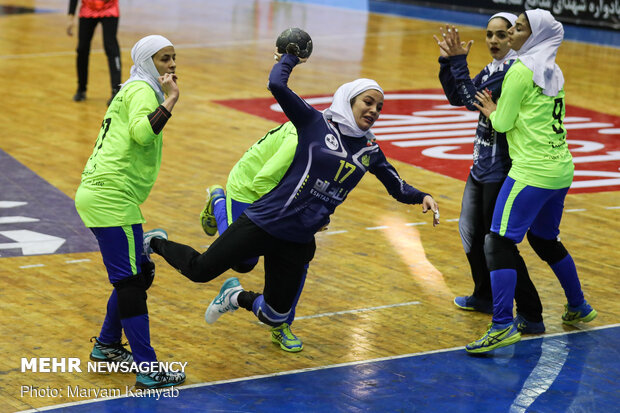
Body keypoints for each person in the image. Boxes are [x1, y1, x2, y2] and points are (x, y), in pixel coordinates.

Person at [143, 49, 439, 349]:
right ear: (349, 100)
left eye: (379, 106)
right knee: (199, 270)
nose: (374, 110)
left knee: (274, 315)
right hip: (263, 222)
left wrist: (422, 196)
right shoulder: (314, 123)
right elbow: (277, 86)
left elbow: (396, 185)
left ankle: (235, 297)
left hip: (297, 240)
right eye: (368, 101)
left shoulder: (370, 150)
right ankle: (154, 242)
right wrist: (289, 59)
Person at [466, 9, 597, 353]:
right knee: (544, 240)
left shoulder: (521, 71)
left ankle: (502, 325)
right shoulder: (553, 67)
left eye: (519, 29)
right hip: (561, 169)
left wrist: (491, 111)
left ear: (535, 35)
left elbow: (503, 123)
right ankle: (578, 305)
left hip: (531, 171)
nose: (511, 35)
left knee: (496, 242)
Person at [75, 35, 185, 388]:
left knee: (139, 273)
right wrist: (170, 100)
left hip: (106, 194)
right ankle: (148, 370)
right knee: (131, 283)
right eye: (164, 59)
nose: (171, 65)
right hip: (111, 198)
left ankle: (107, 345)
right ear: (146, 61)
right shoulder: (143, 91)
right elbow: (141, 134)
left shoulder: (132, 87)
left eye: (172, 58)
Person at [434, 14, 544, 334]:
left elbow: (472, 98)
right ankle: (484, 296)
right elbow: (458, 96)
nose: (494, 41)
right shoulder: (493, 69)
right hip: (480, 165)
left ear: (514, 39)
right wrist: (447, 63)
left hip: (503, 169)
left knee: (497, 243)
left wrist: (458, 64)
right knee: (470, 233)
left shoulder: (514, 71)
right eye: (489, 35)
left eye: (502, 35)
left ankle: (530, 311)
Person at [199, 121, 309, 352]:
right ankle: (218, 201)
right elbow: (262, 180)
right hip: (249, 187)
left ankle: (281, 325)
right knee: (242, 262)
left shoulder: (339, 138)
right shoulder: (302, 137)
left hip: (281, 197)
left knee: (296, 258)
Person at [67, 0, 121, 104]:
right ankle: (81, 89)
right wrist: (70, 17)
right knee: (82, 49)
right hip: (88, 9)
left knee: (111, 47)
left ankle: (116, 91)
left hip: (109, 9)